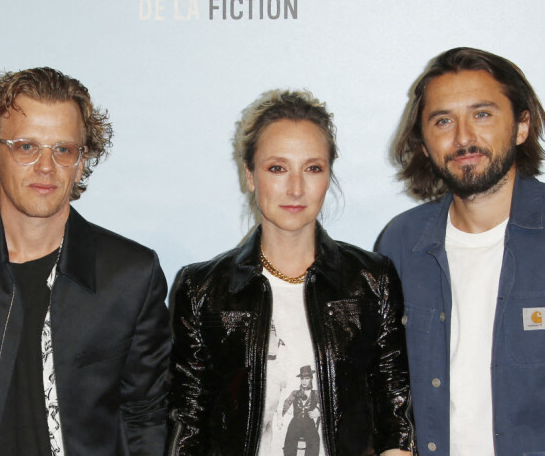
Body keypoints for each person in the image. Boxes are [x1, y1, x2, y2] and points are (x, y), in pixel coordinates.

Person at [168, 90, 413, 456]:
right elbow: (187, 420)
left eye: (312, 168)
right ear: (250, 175)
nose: (296, 188)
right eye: (277, 168)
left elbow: (395, 408)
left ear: (328, 176)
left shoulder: (372, 279)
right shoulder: (202, 289)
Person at [0, 67, 170, 455]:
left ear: (80, 162)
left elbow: (147, 418)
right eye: (26, 147)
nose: (46, 166)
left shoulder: (130, 275)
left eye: (63, 149)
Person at [376, 47, 545, 456]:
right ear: (423, 142)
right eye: (443, 121)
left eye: (482, 114)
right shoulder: (400, 243)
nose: (463, 137)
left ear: (522, 126)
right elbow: (379, 382)